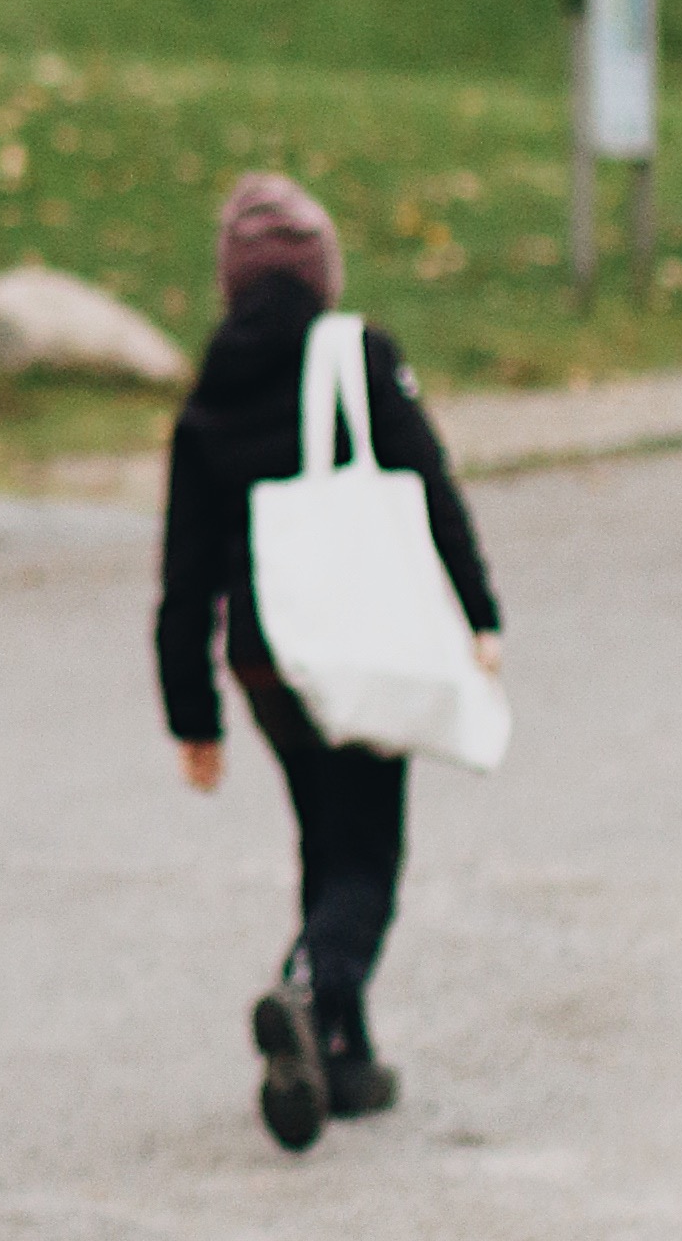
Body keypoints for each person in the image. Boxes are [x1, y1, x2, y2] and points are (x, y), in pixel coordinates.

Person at [154, 169, 503, 1156]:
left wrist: (193, 716)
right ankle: (312, 989)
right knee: (371, 856)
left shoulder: (208, 394)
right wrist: (480, 612)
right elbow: (431, 491)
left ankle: (343, 1058)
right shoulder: (360, 358)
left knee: (324, 836)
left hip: (264, 662)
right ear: (321, 276)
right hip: (357, 643)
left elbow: (183, 575)